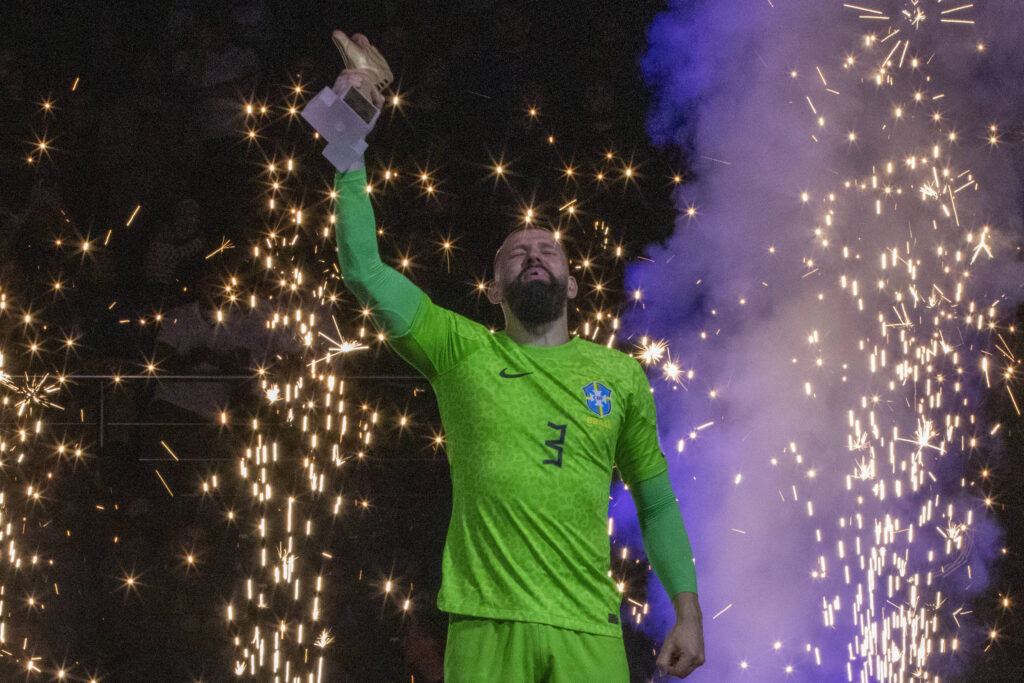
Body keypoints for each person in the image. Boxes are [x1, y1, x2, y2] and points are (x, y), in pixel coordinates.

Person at [330, 36, 705, 682]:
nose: (534, 254)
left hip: (588, 626)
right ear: (495, 287)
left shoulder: (617, 375)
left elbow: (657, 501)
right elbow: (362, 267)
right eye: (515, 252)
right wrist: (351, 127)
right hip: (484, 625)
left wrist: (689, 611)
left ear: (574, 282)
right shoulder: (459, 348)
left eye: (548, 249)